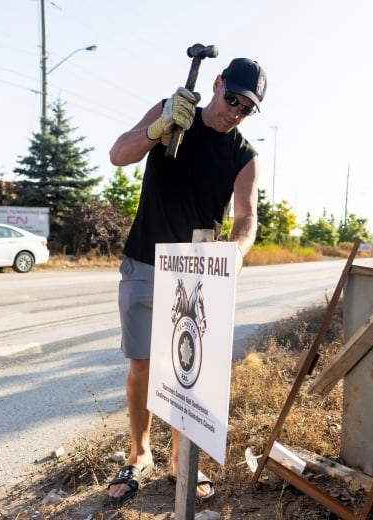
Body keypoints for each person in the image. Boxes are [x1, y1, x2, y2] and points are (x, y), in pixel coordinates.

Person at [106, 57, 267, 505]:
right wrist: (157, 128)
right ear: (216, 83)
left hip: (196, 274)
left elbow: (246, 217)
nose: (234, 110)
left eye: (246, 107)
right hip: (144, 259)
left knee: (185, 373)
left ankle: (181, 458)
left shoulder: (244, 156)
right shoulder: (173, 113)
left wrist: (236, 252)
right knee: (141, 364)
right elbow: (119, 154)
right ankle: (140, 455)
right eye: (231, 97)